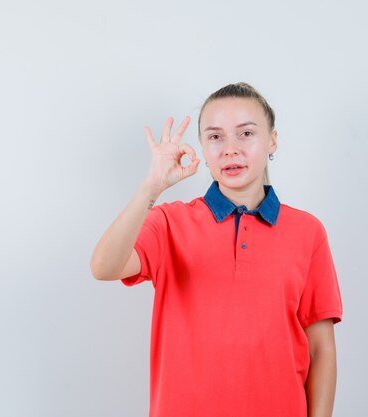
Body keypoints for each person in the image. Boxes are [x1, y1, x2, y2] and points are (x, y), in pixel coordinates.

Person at [90, 82, 343, 417]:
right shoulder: (169, 222)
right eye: (215, 137)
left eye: (246, 134)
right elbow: (104, 267)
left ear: (272, 141)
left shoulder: (307, 232)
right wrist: (150, 188)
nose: (230, 149)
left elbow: (321, 349)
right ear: (203, 149)